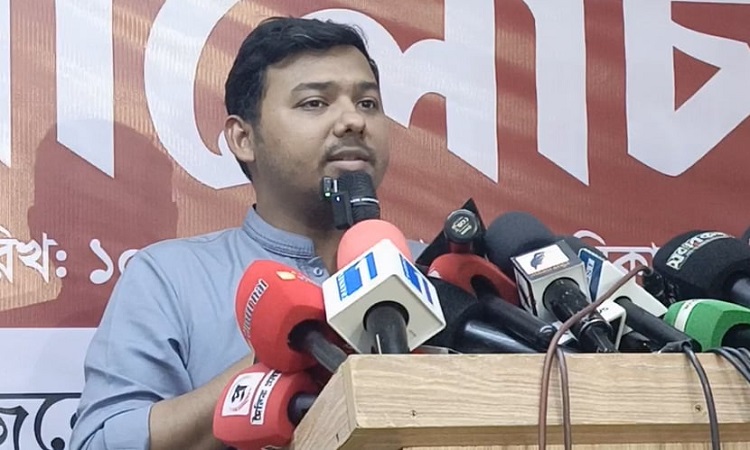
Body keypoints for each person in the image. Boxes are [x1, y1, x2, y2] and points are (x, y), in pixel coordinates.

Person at [69, 16, 419, 450]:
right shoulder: (170, 276)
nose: (353, 121)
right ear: (242, 139)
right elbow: (100, 442)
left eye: (367, 103)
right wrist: (279, 358)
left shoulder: (431, 273)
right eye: (314, 103)